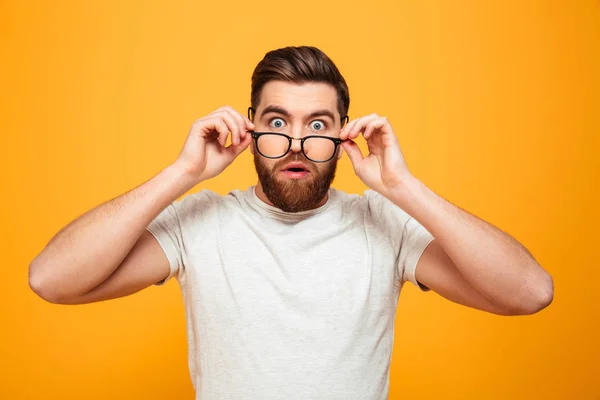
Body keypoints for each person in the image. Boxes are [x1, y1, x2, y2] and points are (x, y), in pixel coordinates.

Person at [29, 46, 553, 399]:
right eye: (278, 122)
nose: (297, 144)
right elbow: (52, 280)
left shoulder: (383, 224)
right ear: (248, 128)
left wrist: (402, 188)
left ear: (346, 136)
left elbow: (528, 293)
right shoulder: (200, 222)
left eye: (318, 125)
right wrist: (183, 172)